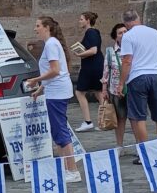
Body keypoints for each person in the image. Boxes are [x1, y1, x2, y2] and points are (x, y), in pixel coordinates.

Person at [23, 17, 81, 182]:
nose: (35, 29)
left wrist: (35, 80)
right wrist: (40, 89)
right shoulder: (51, 44)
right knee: (57, 131)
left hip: (57, 93)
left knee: (60, 131)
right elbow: (53, 72)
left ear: (47, 27)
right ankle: (65, 169)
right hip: (55, 91)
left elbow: (55, 70)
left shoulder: (51, 44)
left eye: (38, 26)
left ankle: (72, 170)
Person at [118, 9, 157, 163]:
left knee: (139, 118)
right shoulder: (154, 33)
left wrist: (121, 83)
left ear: (126, 23)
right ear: (138, 18)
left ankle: (145, 154)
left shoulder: (128, 36)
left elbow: (127, 61)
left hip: (138, 76)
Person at [72, 11, 104, 132]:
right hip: (95, 66)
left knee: (80, 92)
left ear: (88, 20)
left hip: (91, 67)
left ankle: (88, 122)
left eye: (81, 19)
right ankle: (104, 121)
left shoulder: (91, 32)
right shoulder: (93, 32)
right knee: (98, 92)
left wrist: (79, 54)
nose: (79, 21)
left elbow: (94, 50)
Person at [100, 23, 128, 149]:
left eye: (125, 31)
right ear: (115, 37)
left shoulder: (133, 49)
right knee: (120, 118)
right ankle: (119, 145)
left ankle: (140, 145)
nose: (123, 34)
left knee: (135, 119)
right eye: (120, 33)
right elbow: (106, 71)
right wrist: (104, 89)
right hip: (115, 89)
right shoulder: (110, 51)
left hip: (132, 88)